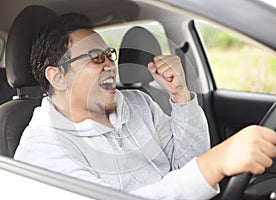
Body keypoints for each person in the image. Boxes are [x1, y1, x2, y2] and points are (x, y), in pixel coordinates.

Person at [14, 13, 276, 200]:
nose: (109, 65)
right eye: (96, 58)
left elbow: (185, 163)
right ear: (58, 77)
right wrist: (213, 165)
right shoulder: (41, 150)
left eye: (109, 55)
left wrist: (180, 97)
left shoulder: (138, 105)